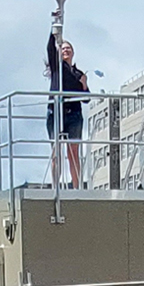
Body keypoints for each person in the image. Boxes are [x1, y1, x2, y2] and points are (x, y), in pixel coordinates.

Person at [46, 24, 89, 188]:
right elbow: (50, 48)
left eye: (68, 48)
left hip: (74, 115)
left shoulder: (79, 74)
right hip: (56, 112)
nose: (66, 50)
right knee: (56, 152)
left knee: (73, 153)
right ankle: (55, 186)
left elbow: (86, 99)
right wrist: (54, 31)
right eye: (63, 48)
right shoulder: (57, 67)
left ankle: (76, 186)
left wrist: (84, 85)